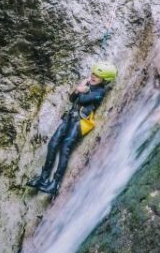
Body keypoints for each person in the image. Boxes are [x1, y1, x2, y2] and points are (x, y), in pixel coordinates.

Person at [26, 62, 117, 196]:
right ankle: (43, 178)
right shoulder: (88, 85)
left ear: (104, 79)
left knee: (65, 148)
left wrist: (82, 89)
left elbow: (84, 100)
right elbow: (72, 99)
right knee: (53, 143)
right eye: (93, 74)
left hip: (80, 122)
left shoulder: (100, 91)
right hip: (70, 117)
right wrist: (77, 90)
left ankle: (55, 184)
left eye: (98, 76)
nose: (93, 76)